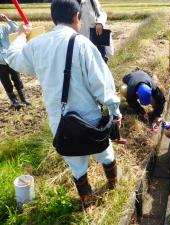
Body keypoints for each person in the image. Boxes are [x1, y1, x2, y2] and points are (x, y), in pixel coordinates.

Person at [7, 0, 123, 203]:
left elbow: (13, 58)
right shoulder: (83, 44)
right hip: (90, 119)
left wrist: (21, 36)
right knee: (105, 154)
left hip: (60, 121)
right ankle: (113, 184)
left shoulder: (37, 44)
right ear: (76, 17)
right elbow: (102, 85)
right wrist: (115, 112)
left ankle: (86, 199)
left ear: (53, 19)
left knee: (76, 166)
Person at [0, 13, 30, 110]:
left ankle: (23, 98)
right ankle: (14, 101)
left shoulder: (3, 28)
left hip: (9, 58)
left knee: (17, 79)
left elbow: (16, 29)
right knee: (6, 82)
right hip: (0, 62)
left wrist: (7, 19)